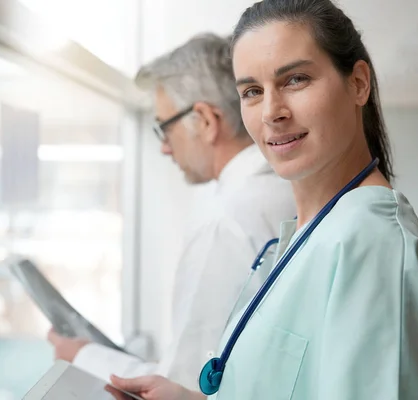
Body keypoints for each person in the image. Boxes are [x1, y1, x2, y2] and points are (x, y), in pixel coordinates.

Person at [105, 0, 418, 399]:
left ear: (358, 83)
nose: (271, 113)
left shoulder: (370, 242)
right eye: (252, 91)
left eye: (295, 80)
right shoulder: (313, 232)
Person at [46, 33, 296, 391]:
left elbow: (183, 384)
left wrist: (83, 356)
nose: (164, 148)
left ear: (206, 121)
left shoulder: (225, 220)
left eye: (164, 127)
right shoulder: (286, 187)